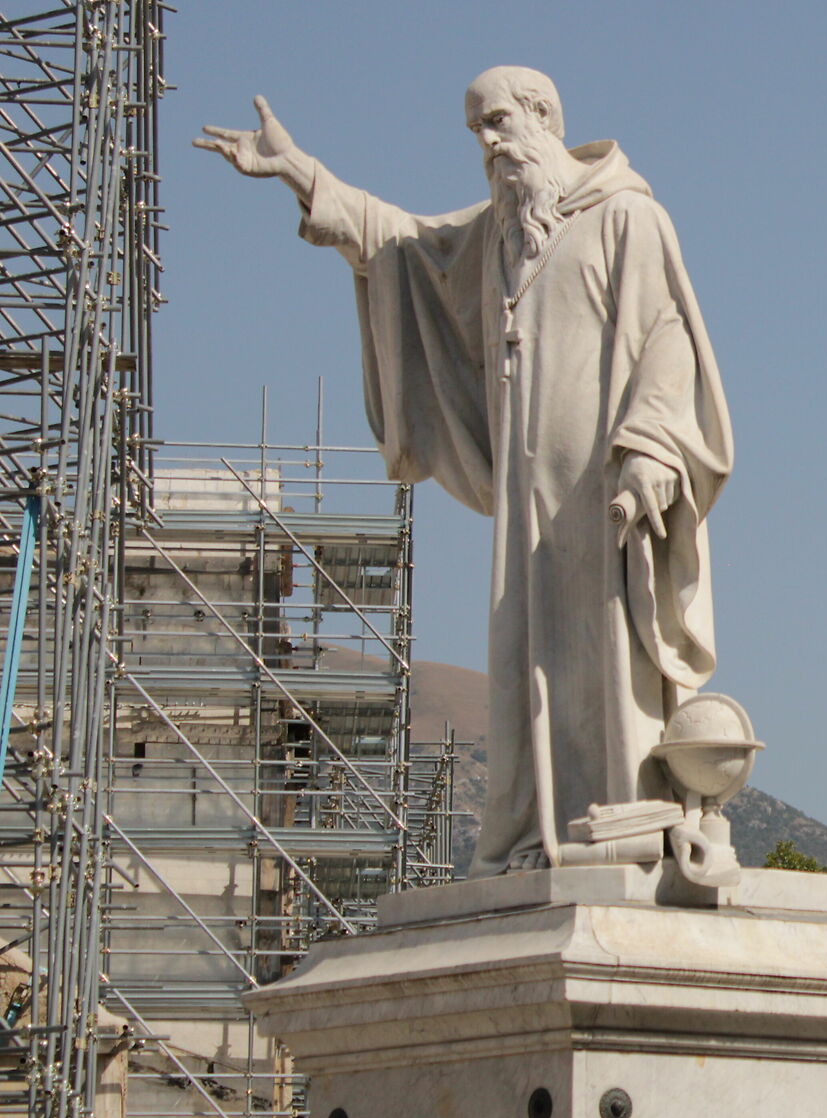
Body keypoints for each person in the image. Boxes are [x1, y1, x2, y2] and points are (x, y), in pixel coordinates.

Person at [196, 68, 733, 875]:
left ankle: (625, 824)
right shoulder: (499, 237)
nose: (486, 143)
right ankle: (538, 832)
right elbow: (401, 245)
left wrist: (653, 449)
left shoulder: (627, 217)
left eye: (498, 122)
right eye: (477, 129)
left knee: (606, 661)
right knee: (529, 665)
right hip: (528, 505)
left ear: (545, 117)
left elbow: (667, 335)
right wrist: (300, 171)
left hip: (605, 491)